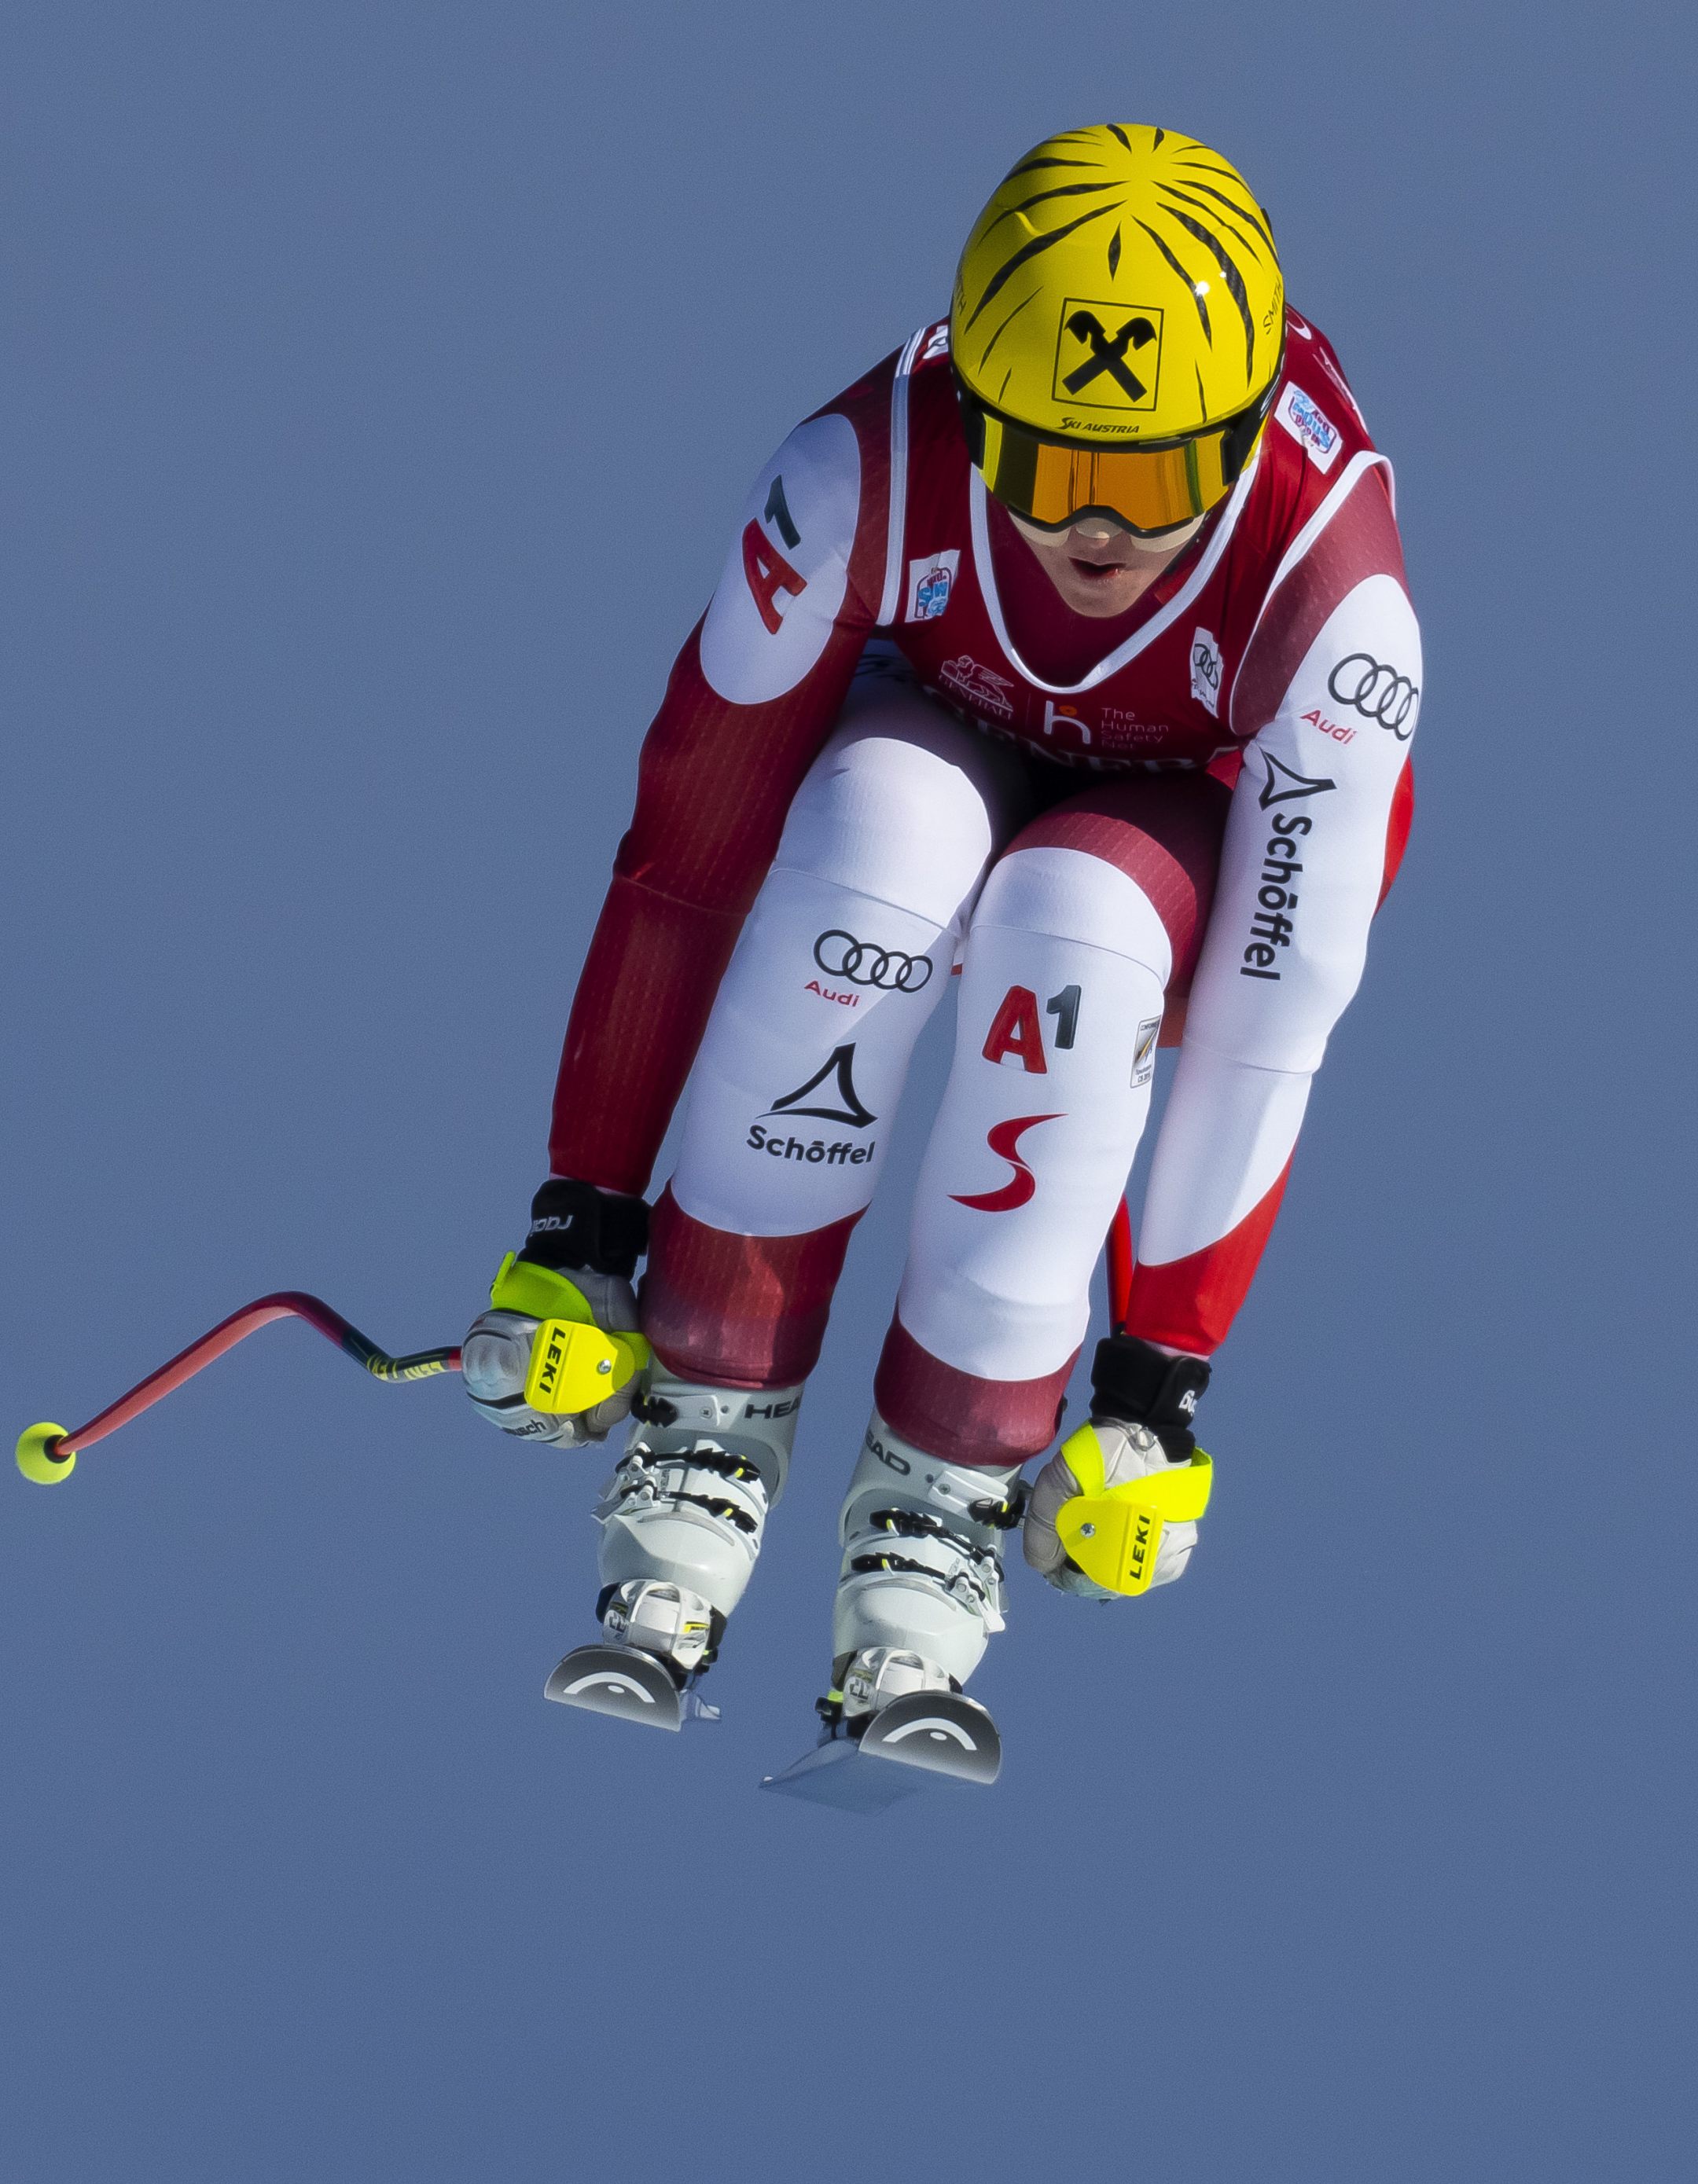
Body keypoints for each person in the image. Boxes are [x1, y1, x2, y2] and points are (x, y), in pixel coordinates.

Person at [457, 124, 1420, 1767]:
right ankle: (705, 1418)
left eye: (1157, 480)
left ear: (1248, 438)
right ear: (969, 411)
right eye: (1046, 470)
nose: (1099, 536)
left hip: (1164, 826)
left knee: (1075, 932)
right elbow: (685, 861)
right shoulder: (856, 474)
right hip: (930, 735)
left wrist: (1151, 1392)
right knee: (873, 845)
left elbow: (1271, 1016)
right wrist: (582, 1223)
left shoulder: (1331, 603)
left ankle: (945, 1495)